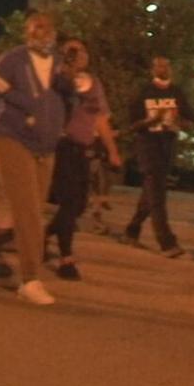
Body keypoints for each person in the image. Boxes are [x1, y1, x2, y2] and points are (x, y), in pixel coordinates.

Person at [0, 10, 67, 305]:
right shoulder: (12, 60)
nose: (39, 31)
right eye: (33, 27)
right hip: (10, 139)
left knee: (29, 212)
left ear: (55, 31)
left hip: (45, 148)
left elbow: (70, 102)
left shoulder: (61, 66)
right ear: (26, 32)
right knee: (30, 213)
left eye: (45, 26)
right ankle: (30, 279)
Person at [44, 37, 121, 280]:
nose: (79, 54)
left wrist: (112, 150)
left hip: (84, 150)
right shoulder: (56, 79)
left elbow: (100, 120)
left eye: (82, 50)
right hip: (62, 146)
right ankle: (66, 258)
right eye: (72, 51)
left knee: (78, 205)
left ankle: (43, 235)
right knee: (69, 203)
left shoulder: (94, 83)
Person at [120, 55, 194, 258]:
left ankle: (132, 230)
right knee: (157, 194)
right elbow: (133, 125)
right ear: (152, 69)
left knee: (151, 191)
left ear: (170, 68)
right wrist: (152, 120)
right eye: (158, 65)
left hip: (167, 146)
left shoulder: (176, 92)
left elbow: (190, 121)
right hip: (148, 146)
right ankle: (166, 242)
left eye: (166, 65)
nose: (162, 68)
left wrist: (177, 119)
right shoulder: (144, 92)